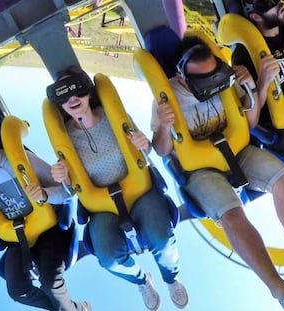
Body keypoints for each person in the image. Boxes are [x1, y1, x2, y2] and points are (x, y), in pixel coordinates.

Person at [151, 35, 284, 311]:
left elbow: (251, 120)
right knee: (232, 212)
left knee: (281, 177)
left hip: (238, 151)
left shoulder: (227, 79)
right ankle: (283, 293)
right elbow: (162, 150)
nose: (212, 83)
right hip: (201, 169)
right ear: (183, 77)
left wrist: (253, 87)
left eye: (215, 75)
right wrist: (164, 126)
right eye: (203, 81)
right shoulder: (168, 96)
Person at [47, 66, 189, 310]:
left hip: (139, 191)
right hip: (101, 205)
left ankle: (171, 278)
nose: (72, 99)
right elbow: (72, 190)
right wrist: (63, 178)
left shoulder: (113, 116)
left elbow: (144, 152)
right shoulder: (65, 138)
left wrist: (142, 144)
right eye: (63, 95)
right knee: (109, 258)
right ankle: (142, 281)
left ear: (88, 93)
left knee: (163, 239)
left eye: (77, 91)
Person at [0, 127, 91, 311]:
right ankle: (72, 309)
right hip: (20, 238)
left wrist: (45, 194)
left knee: (51, 284)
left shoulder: (21, 161)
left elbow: (66, 192)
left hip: (48, 230)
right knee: (17, 290)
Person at [231, 0, 284, 172]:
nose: (280, 4)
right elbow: (251, 120)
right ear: (255, 16)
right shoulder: (242, 56)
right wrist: (263, 82)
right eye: (270, 3)